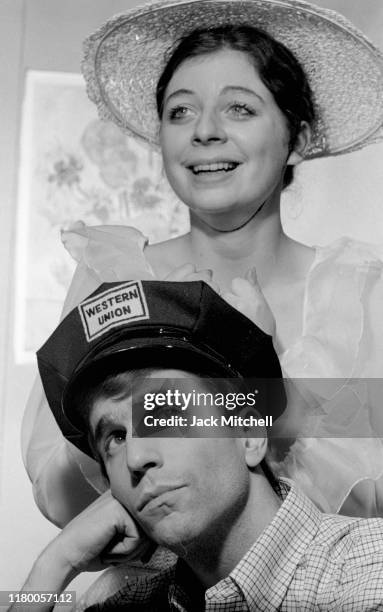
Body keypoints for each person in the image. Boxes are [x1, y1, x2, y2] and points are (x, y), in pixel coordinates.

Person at [22, 0, 383, 532]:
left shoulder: (356, 292)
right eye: (181, 111)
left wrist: (261, 388)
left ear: (297, 139)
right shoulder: (116, 280)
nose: (205, 131)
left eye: (239, 108)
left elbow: (369, 508)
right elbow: (60, 498)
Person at [13, 281, 383, 612]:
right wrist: (56, 563)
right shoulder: (123, 604)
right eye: (116, 437)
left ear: (248, 433)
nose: (137, 458)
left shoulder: (367, 576)